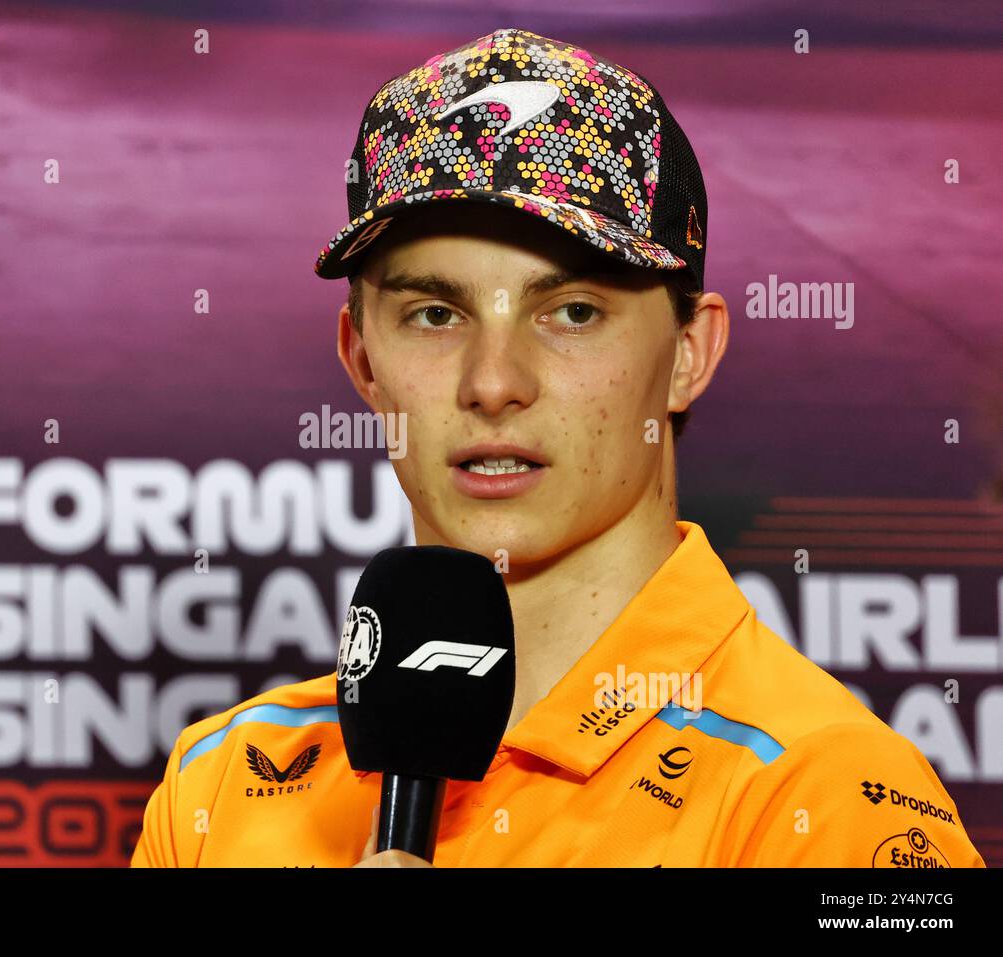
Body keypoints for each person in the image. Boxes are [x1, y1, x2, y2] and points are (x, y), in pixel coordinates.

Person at [131, 28, 984, 868]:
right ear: (362, 357)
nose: (494, 382)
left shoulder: (819, 792)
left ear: (689, 353)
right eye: (436, 313)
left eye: (572, 311)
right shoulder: (218, 790)